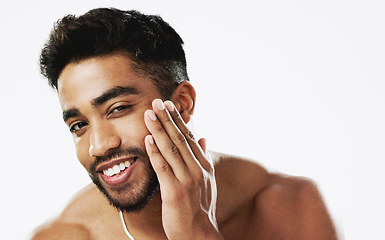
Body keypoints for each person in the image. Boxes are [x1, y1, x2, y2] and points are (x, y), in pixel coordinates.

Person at [32, 7, 338, 239]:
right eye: (78, 126)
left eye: (118, 108)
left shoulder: (288, 208)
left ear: (182, 103)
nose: (98, 145)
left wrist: (197, 232)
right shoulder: (66, 234)